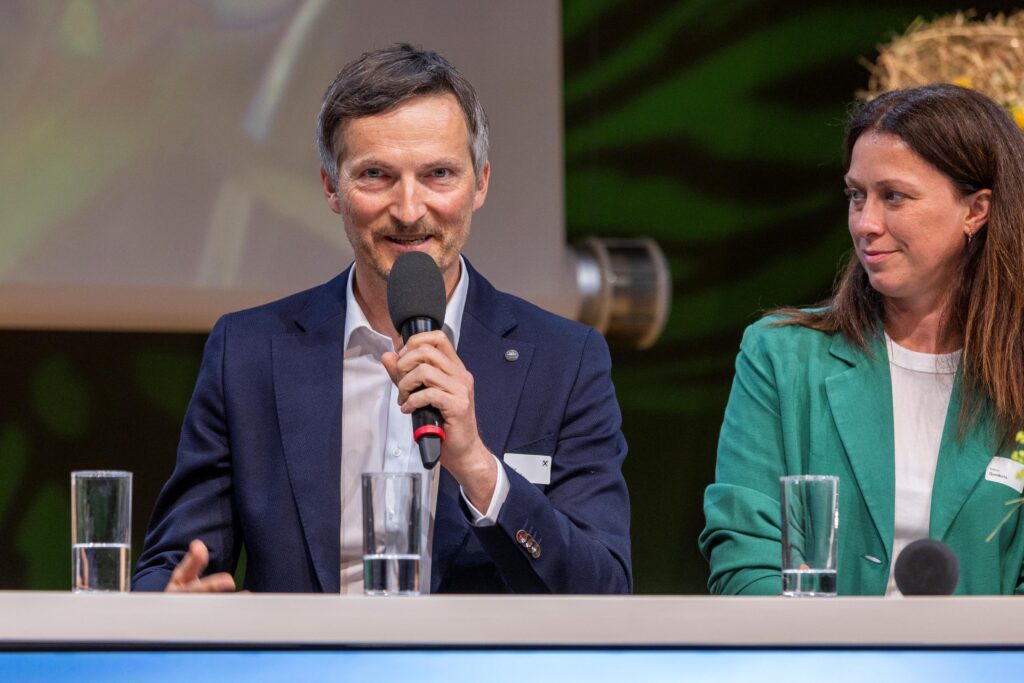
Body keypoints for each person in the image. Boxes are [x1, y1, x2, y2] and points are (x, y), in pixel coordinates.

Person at [132, 44, 631, 594]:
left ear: (481, 183)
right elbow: (174, 565)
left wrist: (479, 468)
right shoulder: (248, 351)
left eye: (439, 174)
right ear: (330, 188)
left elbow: (603, 591)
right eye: (376, 175)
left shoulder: (564, 359)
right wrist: (174, 602)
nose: (410, 209)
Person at [700, 83, 1024, 595]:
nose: (865, 223)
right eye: (857, 196)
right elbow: (745, 562)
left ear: (976, 210)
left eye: (894, 196)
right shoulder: (780, 356)